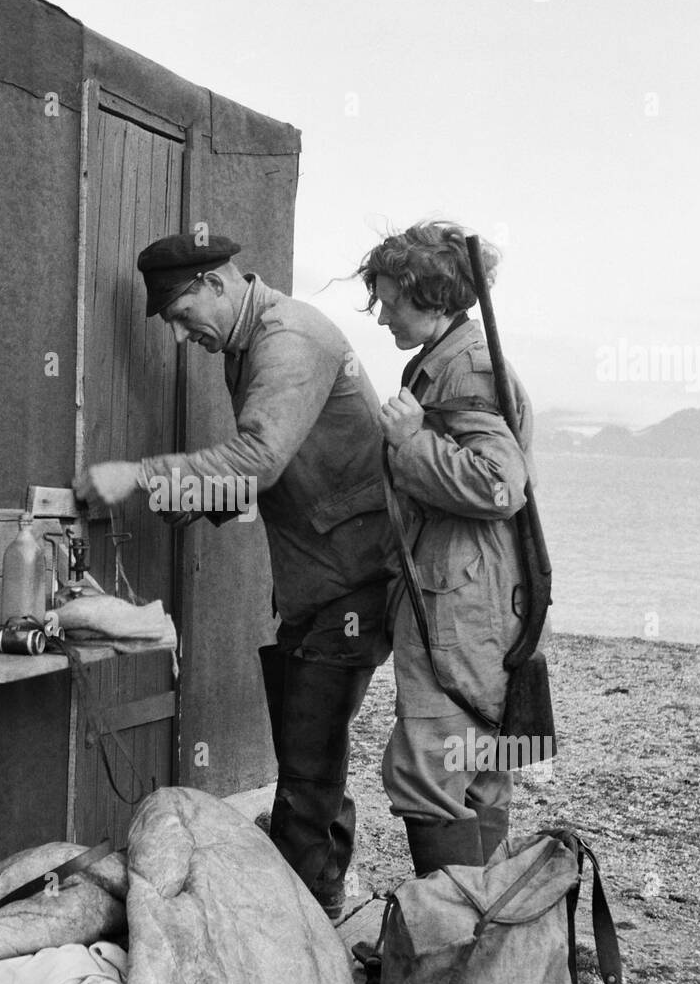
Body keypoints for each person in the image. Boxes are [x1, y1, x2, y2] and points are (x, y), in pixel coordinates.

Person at [74, 233, 395, 918]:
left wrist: (138, 476)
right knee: (312, 751)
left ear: (217, 283)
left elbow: (257, 462)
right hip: (316, 581)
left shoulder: (288, 340)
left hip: (352, 583)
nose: (185, 338)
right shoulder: (247, 343)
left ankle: (302, 925)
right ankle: (323, 907)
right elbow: (248, 484)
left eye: (184, 318)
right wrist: (168, 507)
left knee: (309, 766)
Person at [358, 220, 535, 875]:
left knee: (429, 770)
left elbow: (499, 485)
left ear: (424, 293)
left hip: (461, 609)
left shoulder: (465, 366)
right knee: (479, 768)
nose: (380, 316)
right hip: (475, 600)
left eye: (387, 300)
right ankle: (482, 948)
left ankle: (453, 953)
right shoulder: (458, 357)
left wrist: (412, 442)